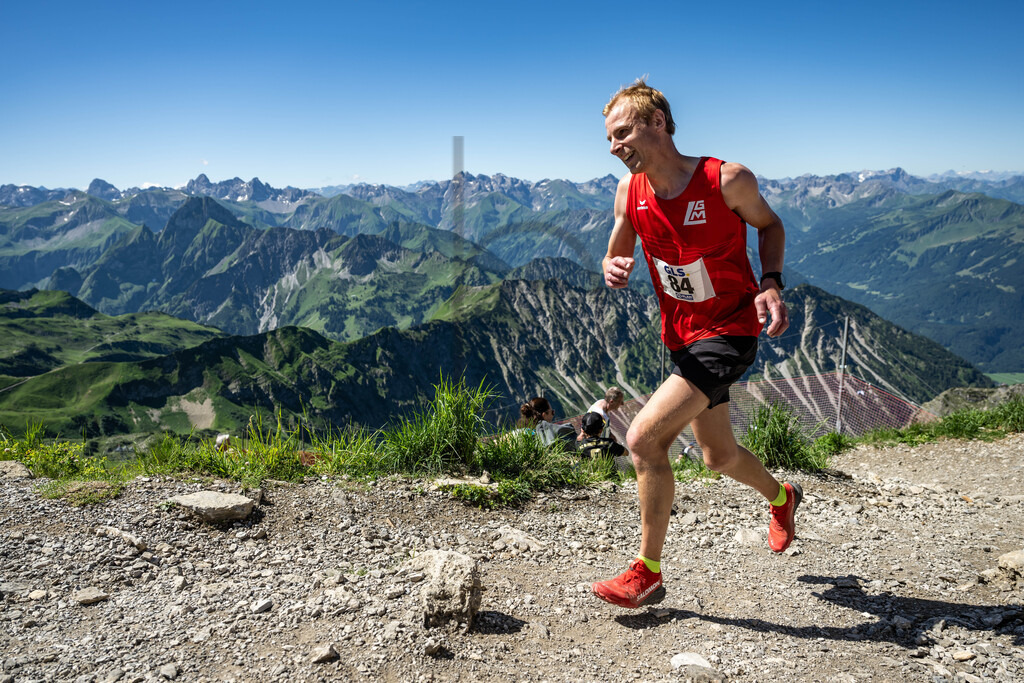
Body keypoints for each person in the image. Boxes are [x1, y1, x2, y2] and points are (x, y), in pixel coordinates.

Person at [591, 80, 801, 609]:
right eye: (609, 138)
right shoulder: (629, 191)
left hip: (730, 330)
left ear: (657, 122)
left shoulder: (726, 179)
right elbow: (619, 244)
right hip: (681, 335)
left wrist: (771, 282)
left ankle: (647, 571)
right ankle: (782, 497)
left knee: (643, 440)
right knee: (719, 456)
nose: (614, 147)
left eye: (622, 133)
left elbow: (770, 225)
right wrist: (611, 264)